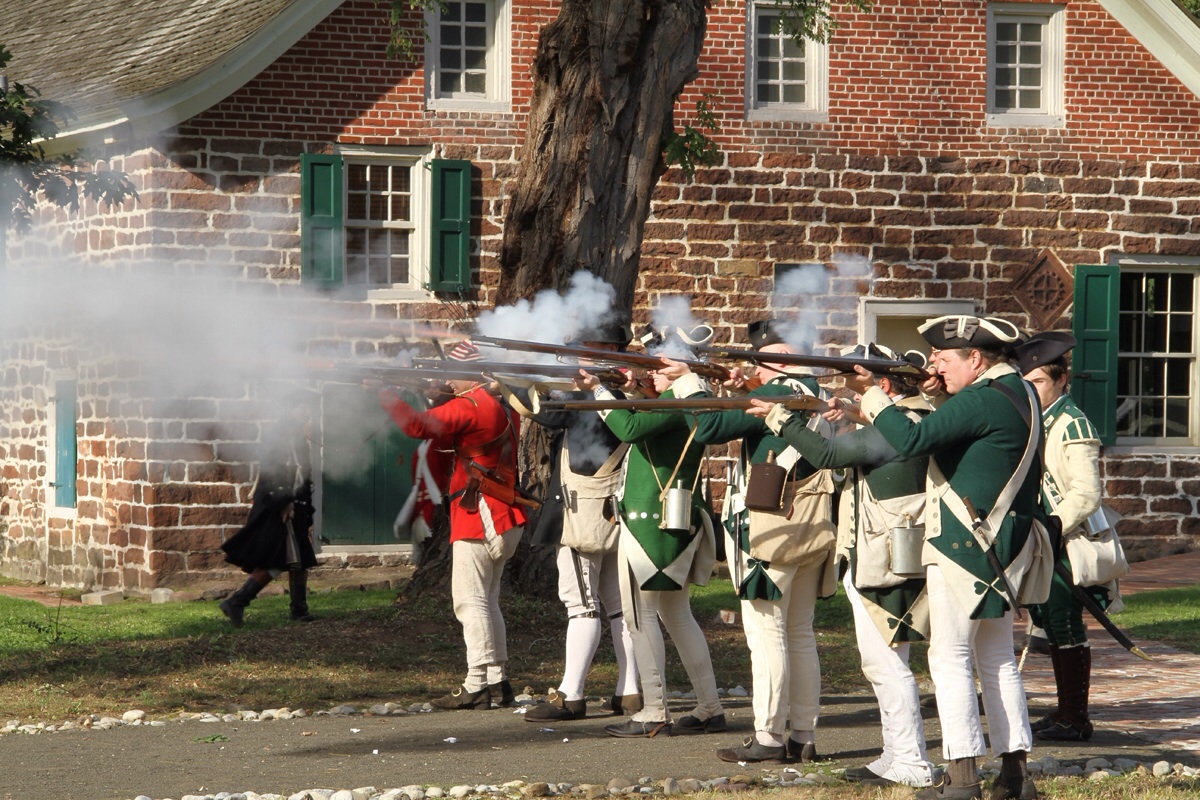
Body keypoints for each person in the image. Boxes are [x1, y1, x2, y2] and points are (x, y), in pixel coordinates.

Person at [847, 315, 1046, 800]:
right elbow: (957, 431)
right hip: (1002, 546)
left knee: (950, 656)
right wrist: (938, 394)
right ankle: (1015, 775)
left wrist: (873, 396)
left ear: (976, 359)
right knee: (996, 658)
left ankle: (961, 780)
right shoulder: (1018, 394)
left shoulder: (981, 398)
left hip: (966, 546)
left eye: (944, 358)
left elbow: (914, 439)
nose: (935, 365)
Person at [746, 343, 935, 786]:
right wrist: (855, 411)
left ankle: (909, 759)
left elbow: (828, 456)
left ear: (883, 386)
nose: (852, 392)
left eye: (859, 385)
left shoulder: (900, 423)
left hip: (885, 554)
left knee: (885, 663)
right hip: (892, 550)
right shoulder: (916, 415)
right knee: (888, 660)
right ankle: (895, 754)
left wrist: (779, 419)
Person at [658, 318, 837, 764]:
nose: (759, 365)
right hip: (810, 527)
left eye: (764, 358)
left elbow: (708, 428)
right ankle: (802, 735)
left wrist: (687, 382)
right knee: (799, 633)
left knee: (767, 634)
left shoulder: (779, 392)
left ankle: (769, 737)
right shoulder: (812, 391)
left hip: (770, 530)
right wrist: (741, 388)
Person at [578, 326, 725, 739]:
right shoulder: (681, 400)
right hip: (663, 521)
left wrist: (599, 391)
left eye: (655, 366)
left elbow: (630, 429)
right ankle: (709, 706)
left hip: (650, 524)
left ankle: (655, 710)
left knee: (639, 618)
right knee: (677, 617)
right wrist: (627, 387)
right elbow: (648, 416)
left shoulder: (680, 401)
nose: (650, 374)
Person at [379, 340, 527, 710]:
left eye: (450, 373)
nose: (446, 378)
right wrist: (432, 395)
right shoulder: (501, 406)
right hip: (503, 511)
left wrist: (384, 393)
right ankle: (498, 679)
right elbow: (448, 429)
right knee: (487, 601)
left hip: (482, 514)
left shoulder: (471, 405)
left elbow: (416, 426)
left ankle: (476, 683)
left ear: (470, 375)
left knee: (469, 601)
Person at [511, 320, 641, 722]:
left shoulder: (598, 396)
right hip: (616, 512)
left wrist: (507, 379)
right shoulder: (628, 392)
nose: (579, 355)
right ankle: (631, 691)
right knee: (619, 608)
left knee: (582, 606)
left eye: (587, 348)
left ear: (608, 350)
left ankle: (571, 694)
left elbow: (546, 413)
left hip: (583, 513)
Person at [1014, 332, 1111, 743]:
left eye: (1038, 381)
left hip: (1064, 542)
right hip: (1041, 540)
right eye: (1027, 382)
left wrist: (1053, 528)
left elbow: (1087, 493)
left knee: (1066, 624)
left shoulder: (1072, 423)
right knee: (1050, 623)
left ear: (1061, 379)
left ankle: (1075, 717)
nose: (1032, 389)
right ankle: (1065, 712)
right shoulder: (1035, 419)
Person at [220, 389, 321, 627]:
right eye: (302, 406)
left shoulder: (294, 432)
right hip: (280, 507)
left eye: (308, 406)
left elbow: (300, 471)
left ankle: (299, 609)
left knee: (300, 560)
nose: (307, 411)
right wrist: (284, 501)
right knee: (275, 561)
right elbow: (275, 469)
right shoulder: (282, 433)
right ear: (292, 408)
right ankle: (237, 602)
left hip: (294, 505)